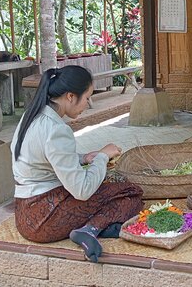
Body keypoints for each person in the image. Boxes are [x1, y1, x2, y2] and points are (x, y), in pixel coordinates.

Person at [11, 65, 143, 262]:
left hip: (24, 214)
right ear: (71, 96)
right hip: (45, 220)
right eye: (87, 97)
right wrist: (103, 156)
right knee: (131, 193)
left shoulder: (32, 116)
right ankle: (90, 229)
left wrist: (83, 158)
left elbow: (44, 157)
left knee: (109, 188)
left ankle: (94, 228)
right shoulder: (56, 129)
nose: (88, 104)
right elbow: (82, 190)